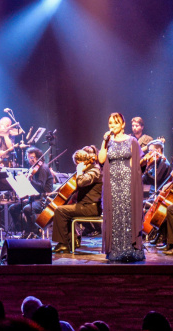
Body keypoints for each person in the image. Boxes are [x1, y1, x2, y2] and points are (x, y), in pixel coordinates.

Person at [98, 112, 144, 263]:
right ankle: (116, 250)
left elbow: (135, 164)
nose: (112, 126)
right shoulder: (108, 141)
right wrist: (104, 142)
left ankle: (130, 250)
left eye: (115, 123)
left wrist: (132, 184)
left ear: (123, 124)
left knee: (127, 214)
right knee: (115, 215)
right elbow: (101, 159)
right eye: (110, 123)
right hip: (112, 184)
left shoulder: (132, 141)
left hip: (127, 182)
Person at [52, 148, 101, 253]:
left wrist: (79, 171)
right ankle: (72, 241)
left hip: (90, 207)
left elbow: (82, 182)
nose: (76, 166)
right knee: (66, 210)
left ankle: (63, 244)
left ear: (80, 162)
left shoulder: (94, 171)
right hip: (85, 205)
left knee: (60, 211)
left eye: (76, 164)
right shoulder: (89, 170)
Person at [9, 147, 55, 238]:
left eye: (32, 157)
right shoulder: (34, 168)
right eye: (28, 157)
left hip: (44, 199)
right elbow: (33, 188)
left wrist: (30, 180)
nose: (30, 160)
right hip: (34, 198)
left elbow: (41, 187)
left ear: (38, 157)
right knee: (12, 208)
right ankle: (26, 230)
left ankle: (35, 231)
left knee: (27, 209)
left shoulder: (43, 169)